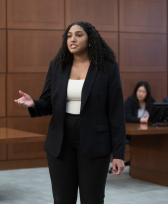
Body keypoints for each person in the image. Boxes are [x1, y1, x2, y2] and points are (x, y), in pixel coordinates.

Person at [14, 22, 125, 204]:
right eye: (69, 35)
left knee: (92, 198)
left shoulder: (107, 67)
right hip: (61, 139)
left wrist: (119, 153)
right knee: (62, 199)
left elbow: (116, 112)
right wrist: (33, 103)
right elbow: (48, 103)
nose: (72, 39)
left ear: (91, 40)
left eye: (79, 35)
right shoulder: (57, 66)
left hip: (95, 140)